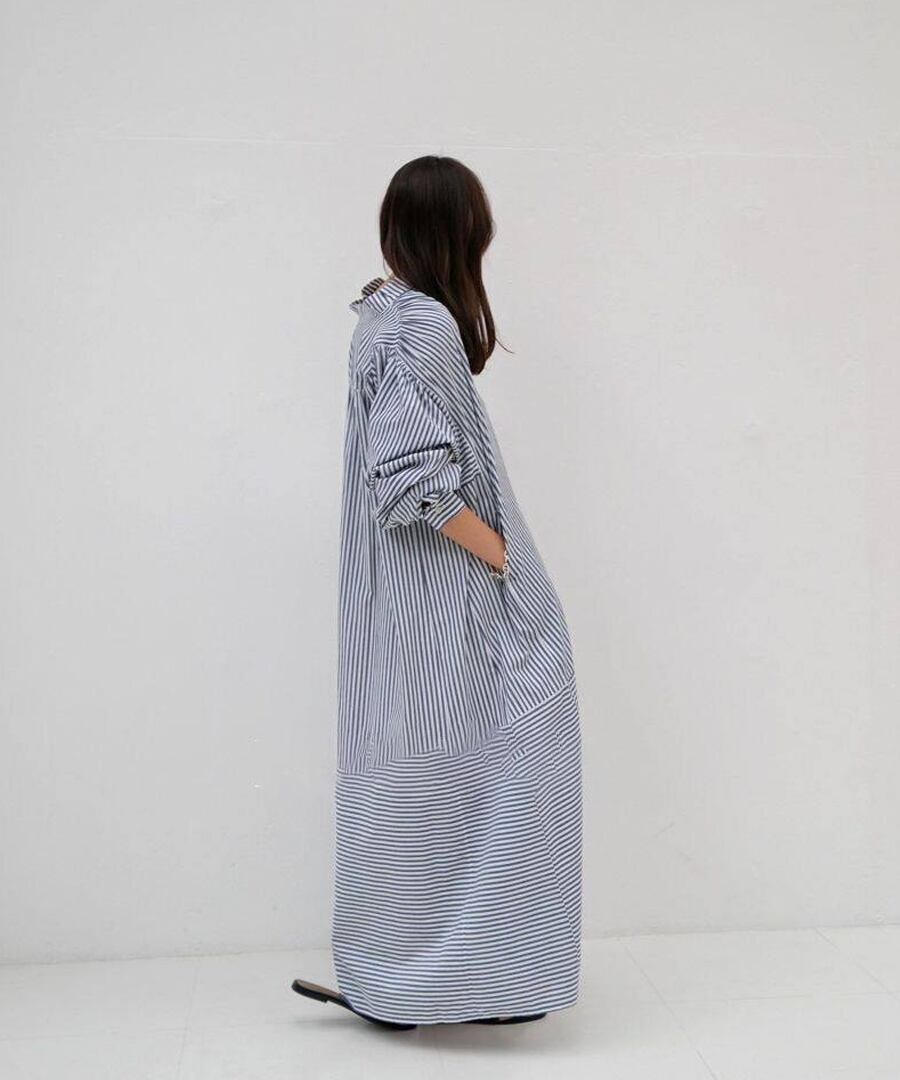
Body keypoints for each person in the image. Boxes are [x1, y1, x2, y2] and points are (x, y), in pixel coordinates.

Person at [292, 156, 583, 1030]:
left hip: (402, 608)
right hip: (452, 601)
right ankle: (467, 975)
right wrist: (501, 554)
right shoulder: (421, 325)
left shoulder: (382, 318)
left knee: (424, 779)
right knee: (509, 763)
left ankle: (422, 976)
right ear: (461, 233)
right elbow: (412, 478)